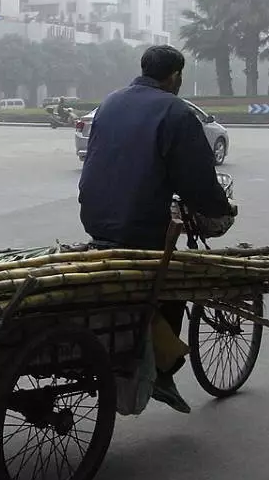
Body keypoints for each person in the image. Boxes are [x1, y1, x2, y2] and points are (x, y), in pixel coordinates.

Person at [78, 45, 235, 414]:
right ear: (175, 76)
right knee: (172, 284)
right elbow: (198, 181)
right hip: (139, 225)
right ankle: (163, 372)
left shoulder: (111, 102)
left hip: (96, 216)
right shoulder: (176, 112)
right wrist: (218, 208)